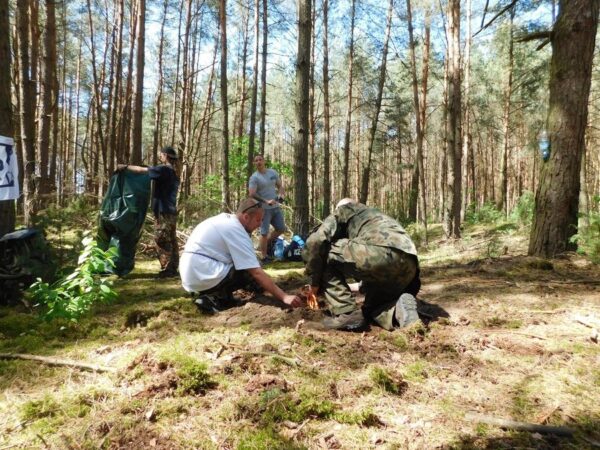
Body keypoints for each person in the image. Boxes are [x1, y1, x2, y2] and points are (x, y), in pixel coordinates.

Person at [303, 198, 421, 331]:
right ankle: (399, 309)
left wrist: (314, 283)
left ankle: (346, 313)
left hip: (378, 253)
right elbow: (385, 259)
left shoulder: (344, 210)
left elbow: (315, 242)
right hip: (410, 266)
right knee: (373, 308)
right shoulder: (377, 216)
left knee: (323, 251)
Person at [179, 198, 303, 314]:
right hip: (202, 274)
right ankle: (213, 298)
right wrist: (284, 296)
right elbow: (256, 272)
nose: (260, 224)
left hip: (193, 275)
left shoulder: (224, 221)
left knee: (244, 264)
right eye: (258, 220)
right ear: (246, 217)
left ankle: (221, 297)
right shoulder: (236, 230)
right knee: (251, 270)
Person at [117, 146, 180, 278]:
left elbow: (143, 170)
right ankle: (172, 269)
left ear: (165, 155)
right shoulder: (173, 172)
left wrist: (125, 167)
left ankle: (168, 269)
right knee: (172, 240)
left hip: (163, 211)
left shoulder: (163, 169)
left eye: (162, 155)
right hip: (171, 211)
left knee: (161, 239)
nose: (160, 157)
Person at [248, 154, 286, 263]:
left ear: (264, 161)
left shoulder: (272, 173)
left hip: (275, 207)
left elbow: (280, 186)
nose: (259, 162)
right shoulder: (254, 177)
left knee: (281, 228)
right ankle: (264, 257)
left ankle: (263, 245)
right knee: (264, 233)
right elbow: (252, 193)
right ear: (254, 163)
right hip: (263, 209)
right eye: (256, 161)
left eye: (260, 159)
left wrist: (281, 195)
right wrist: (265, 201)